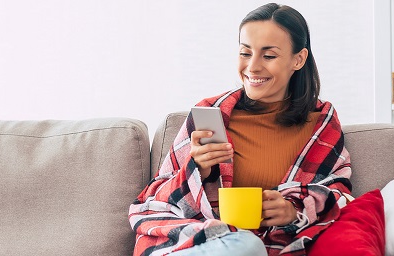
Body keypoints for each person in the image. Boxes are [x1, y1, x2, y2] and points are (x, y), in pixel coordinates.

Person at [128, 3, 352, 256]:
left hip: (264, 246)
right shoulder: (211, 114)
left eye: (268, 56)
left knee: (249, 246)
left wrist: (295, 212)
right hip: (201, 242)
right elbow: (156, 199)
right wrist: (196, 168)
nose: (252, 67)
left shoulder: (321, 123)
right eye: (245, 53)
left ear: (298, 59)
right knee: (245, 245)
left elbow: (338, 194)